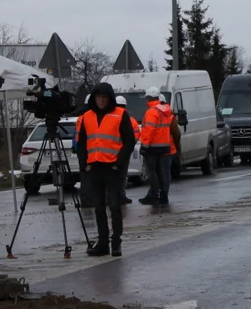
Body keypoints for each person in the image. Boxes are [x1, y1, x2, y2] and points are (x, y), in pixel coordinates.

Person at [76, 82, 137, 257]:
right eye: (98, 97)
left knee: (115, 206)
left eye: (104, 97)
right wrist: (84, 164)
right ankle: (103, 244)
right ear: (94, 99)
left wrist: (119, 162)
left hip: (113, 168)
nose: (101, 101)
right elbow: (81, 144)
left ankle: (116, 242)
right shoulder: (87, 116)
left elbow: (129, 141)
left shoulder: (120, 115)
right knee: (99, 207)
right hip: (95, 167)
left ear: (109, 98)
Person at [139, 87, 180, 205]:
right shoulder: (166, 111)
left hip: (153, 147)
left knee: (152, 171)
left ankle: (154, 194)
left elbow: (149, 130)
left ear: (148, 98)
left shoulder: (152, 111)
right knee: (164, 172)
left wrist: (145, 146)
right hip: (165, 146)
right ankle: (164, 195)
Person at [115, 95, 140, 205]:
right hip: (124, 152)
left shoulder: (110, 117)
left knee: (111, 176)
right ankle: (121, 196)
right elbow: (136, 136)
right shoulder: (131, 120)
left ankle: (111, 196)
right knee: (122, 175)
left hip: (112, 152)